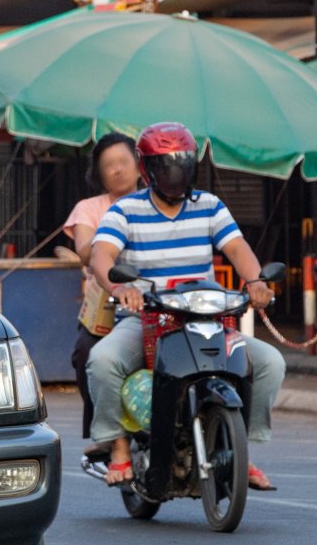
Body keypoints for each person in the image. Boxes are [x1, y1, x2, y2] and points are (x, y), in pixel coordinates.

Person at [87, 123, 285, 490]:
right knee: (103, 361)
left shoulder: (209, 205)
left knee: (270, 362)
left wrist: (256, 282)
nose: (175, 175)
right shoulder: (125, 210)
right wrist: (119, 287)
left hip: (204, 319)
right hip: (145, 318)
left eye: (182, 166)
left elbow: (237, 248)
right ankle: (118, 447)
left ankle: (241, 449)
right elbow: (101, 254)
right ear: (148, 169)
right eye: (166, 167)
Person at [62, 132, 139, 455]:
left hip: (152, 298)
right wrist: (106, 248)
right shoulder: (89, 208)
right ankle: (105, 431)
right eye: (109, 165)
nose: (117, 169)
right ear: (99, 173)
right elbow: (84, 249)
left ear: (139, 165)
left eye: (123, 161)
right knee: (86, 353)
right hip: (105, 303)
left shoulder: (154, 203)